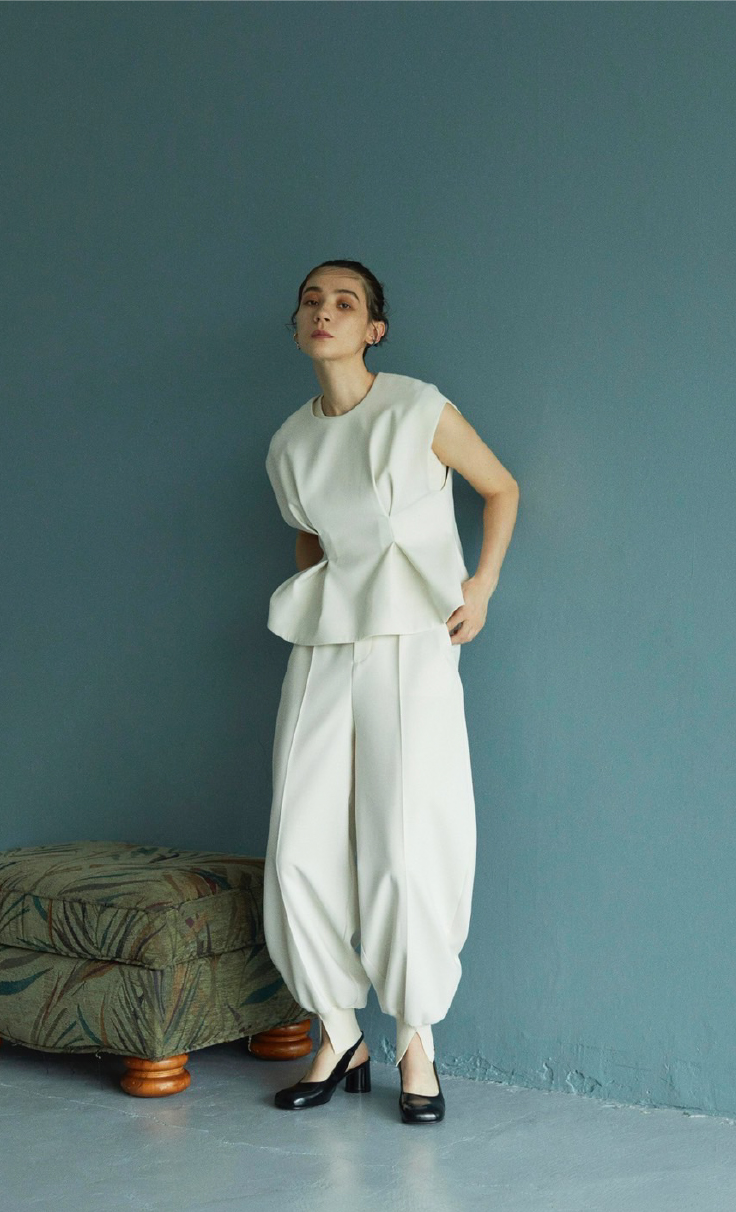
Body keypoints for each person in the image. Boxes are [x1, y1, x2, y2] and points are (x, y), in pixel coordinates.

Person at [262, 259, 519, 1123]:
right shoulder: (288, 444)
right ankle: (338, 1032)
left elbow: (500, 487)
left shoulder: (415, 408)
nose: (323, 312)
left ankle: (415, 1039)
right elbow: (310, 541)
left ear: (373, 328)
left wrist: (480, 587)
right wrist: (322, 601)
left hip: (413, 638)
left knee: (406, 846)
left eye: (345, 303)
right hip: (323, 646)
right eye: (311, 301)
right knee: (296, 846)